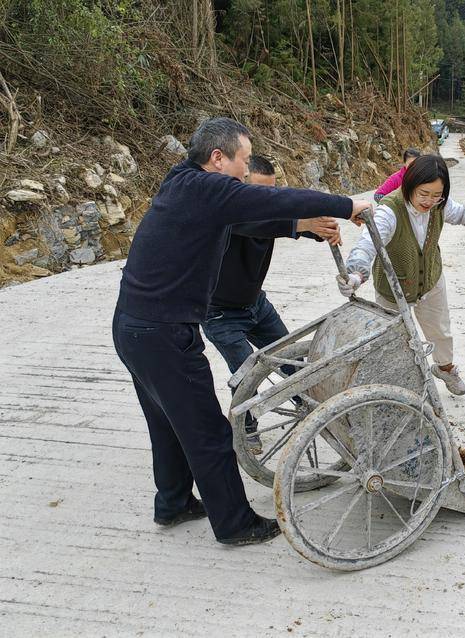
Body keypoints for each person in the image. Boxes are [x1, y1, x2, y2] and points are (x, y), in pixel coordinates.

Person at [112, 117, 371, 546]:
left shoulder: (184, 182)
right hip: (162, 333)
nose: (247, 170)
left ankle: (173, 503)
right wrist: (349, 205)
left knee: (167, 423)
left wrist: (300, 226)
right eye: (244, 161)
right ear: (218, 158)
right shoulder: (207, 188)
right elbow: (271, 200)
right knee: (208, 432)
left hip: (134, 327)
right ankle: (236, 524)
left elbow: (246, 221)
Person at [336, 154, 465, 395]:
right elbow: (368, 244)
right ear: (409, 185)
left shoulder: (440, 204)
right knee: (393, 341)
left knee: (440, 331)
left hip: (430, 280)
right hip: (394, 288)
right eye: (423, 194)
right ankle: (397, 388)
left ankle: (445, 368)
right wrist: (356, 275)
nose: (429, 201)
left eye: (436, 195)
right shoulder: (390, 211)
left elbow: (464, 214)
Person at [201, 155, 340, 455]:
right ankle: (246, 426)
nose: (266, 200)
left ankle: (308, 405)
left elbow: (287, 220)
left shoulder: (271, 212)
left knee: (292, 362)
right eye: (258, 192)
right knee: (245, 373)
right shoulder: (227, 212)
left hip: (257, 305)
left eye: (271, 193)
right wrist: (301, 224)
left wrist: (322, 229)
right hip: (220, 313)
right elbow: (259, 225)